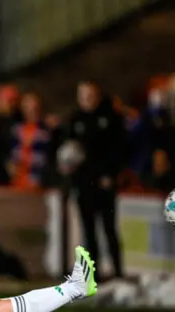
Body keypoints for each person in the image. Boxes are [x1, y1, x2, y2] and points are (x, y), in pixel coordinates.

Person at [63, 80, 126, 282]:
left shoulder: (110, 118)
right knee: (88, 231)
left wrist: (111, 175)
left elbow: (120, 149)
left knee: (109, 228)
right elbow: (67, 152)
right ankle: (93, 275)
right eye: (83, 95)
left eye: (90, 95)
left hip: (104, 184)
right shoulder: (74, 120)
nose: (87, 100)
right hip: (83, 184)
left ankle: (117, 271)